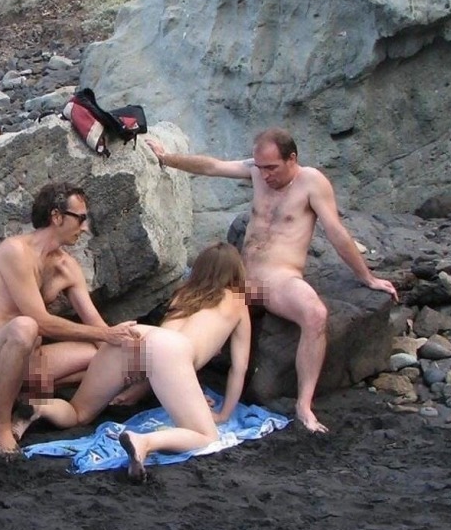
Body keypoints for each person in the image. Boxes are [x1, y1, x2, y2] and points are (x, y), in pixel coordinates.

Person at [146, 127, 399, 433]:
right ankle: (163, 384)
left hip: (279, 278)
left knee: (316, 314)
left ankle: (304, 405)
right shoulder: (256, 171)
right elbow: (212, 166)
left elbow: (336, 232)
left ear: (292, 158)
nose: (264, 175)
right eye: (260, 167)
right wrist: (166, 158)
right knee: (181, 307)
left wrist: (366, 277)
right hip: (239, 277)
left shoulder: (311, 182)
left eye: (272, 168)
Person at [16, 242, 251, 483]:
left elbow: (156, 352)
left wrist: (137, 389)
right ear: (235, 272)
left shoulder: (183, 293)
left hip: (134, 335)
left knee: (79, 413)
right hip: (169, 349)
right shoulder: (238, 301)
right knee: (206, 436)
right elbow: (239, 366)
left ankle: (39, 406)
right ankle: (144, 441)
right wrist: (224, 413)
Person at [0, 182, 140, 459]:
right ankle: (0, 427)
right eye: (80, 218)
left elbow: (98, 327)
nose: (84, 228)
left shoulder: (66, 267)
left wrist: (131, 360)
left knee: (106, 355)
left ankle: (33, 404)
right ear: (57, 217)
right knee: (26, 326)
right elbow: (40, 321)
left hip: (31, 363)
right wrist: (106, 336)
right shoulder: (15, 252)